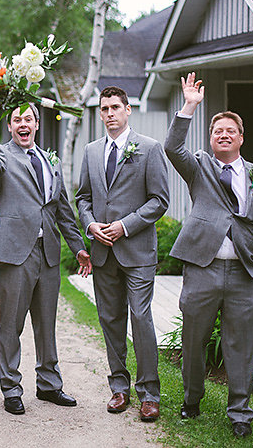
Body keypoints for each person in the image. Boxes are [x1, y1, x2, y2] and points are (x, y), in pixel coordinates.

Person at [164, 73, 253, 438]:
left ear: (241, 138)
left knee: (241, 346)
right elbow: (172, 147)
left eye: (230, 131)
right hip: (203, 268)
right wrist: (190, 106)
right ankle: (191, 400)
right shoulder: (200, 167)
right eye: (217, 132)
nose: (224, 135)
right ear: (211, 139)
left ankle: (240, 413)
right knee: (193, 340)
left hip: (245, 274)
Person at [0, 104, 92, 415]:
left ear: (37, 124)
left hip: (48, 254)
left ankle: (49, 384)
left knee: (46, 325)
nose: (22, 124)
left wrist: (78, 247)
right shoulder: (1, 154)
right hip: (15, 254)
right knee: (11, 324)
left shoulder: (48, 160)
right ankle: (11, 388)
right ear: (11, 127)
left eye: (28, 119)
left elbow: (63, 210)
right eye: (17, 120)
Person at [75, 86, 169, 421]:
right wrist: (90, 226)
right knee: (110, 321)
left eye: (116, 107)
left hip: (138, 251)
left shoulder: (149, 148)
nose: (110, 113)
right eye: (105, 109)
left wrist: (125, 225)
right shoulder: (90, 151)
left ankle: (149, 393)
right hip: (103, 253)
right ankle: (119, 388)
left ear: (128, 110)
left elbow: (160, 200)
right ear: (100, 114)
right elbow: (83, 197)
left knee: (140, 319)